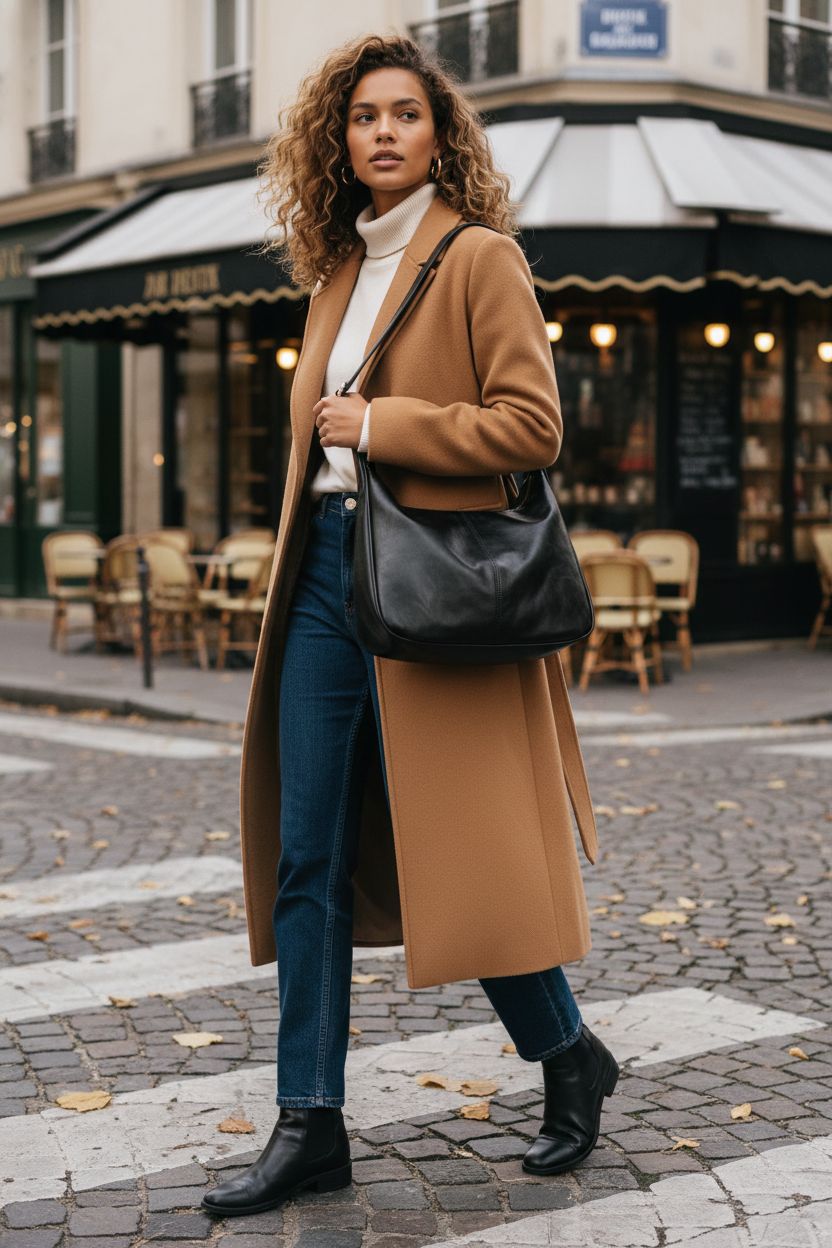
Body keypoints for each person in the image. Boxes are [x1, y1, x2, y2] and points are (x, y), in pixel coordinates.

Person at [202, 32, 618, 1220]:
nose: (382, 132)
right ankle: (309, 1123)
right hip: (328, 581)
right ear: (339, 141)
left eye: (405, 115)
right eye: (363, 117)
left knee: (460, 853)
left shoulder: (479, 258)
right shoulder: (336, 272)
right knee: (308, 853)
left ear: (440, 137)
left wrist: (383, 424)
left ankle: (568, 1052)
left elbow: (530, 427)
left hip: (434, 584)